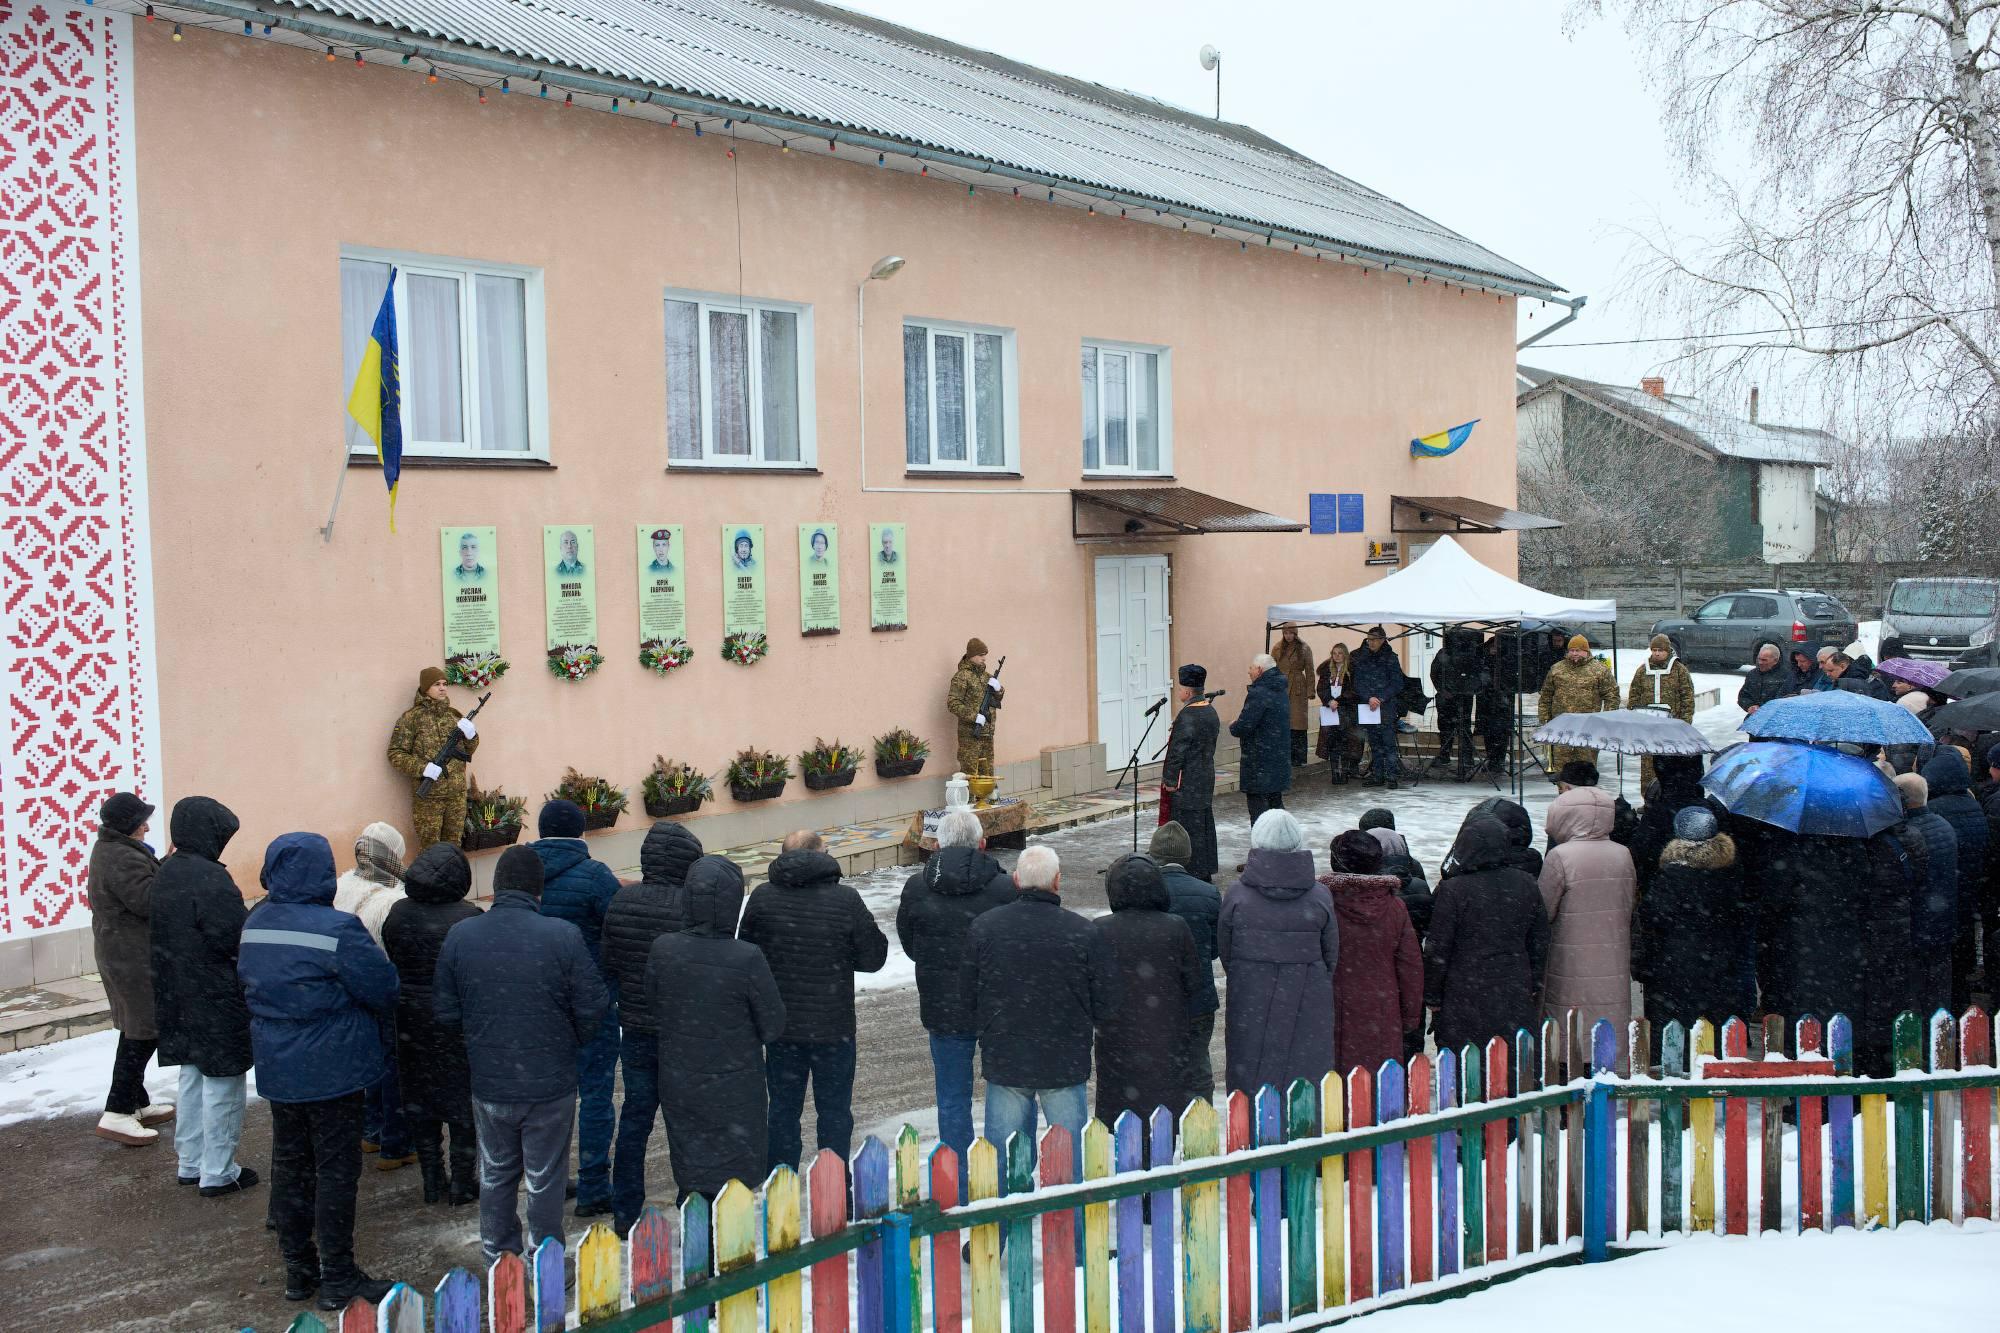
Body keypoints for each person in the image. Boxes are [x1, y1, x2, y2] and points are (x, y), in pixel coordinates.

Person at [238, 832, 400, 1309]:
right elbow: (382, 987)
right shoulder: (337, 930)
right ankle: (338, 1274)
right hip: (332, 1069)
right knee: (335, 1171)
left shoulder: (254, 923)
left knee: (290, 1166)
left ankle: (298, 1269)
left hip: (279, 1069)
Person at [435, 845, 608, 1265]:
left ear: (494, 888)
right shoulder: (562, 936)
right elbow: (592, 1006)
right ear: (539, 890)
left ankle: (499, 1258)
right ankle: (544, 1261)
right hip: (550, 1082)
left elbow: (444, 1011)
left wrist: (480, 1043)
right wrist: (568, 1044)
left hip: (491, 1081)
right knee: (545, 1178)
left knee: (495, 1172)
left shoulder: (462, 935)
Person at [969, 845, 1119, 1181]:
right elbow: (1107, 1002)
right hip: (1063, 1059)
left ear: (1017, 881)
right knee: (1069, 1163)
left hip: (1006, 1055)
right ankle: (1070, 1231)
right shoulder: (1083, 932)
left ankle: (1001, 1230)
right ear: (1057, 881)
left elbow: (968, 992)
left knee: (1003, 1163)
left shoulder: (985, 928)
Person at [741, 830, 888, 1169]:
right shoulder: (845, 900)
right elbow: (874, 957)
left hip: (782, 1029)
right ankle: (835, 1185)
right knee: (835, 1112)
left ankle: (781, 1181)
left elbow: (748, 956)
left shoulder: (763, 898)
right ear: (822, 855)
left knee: (782, 1110)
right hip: (832, 1028)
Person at [648, 856, 785, 1201]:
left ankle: (694, 1234)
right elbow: (773, 1024)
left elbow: (654, 1005)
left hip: (681, 1080)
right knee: (733, 1184)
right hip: (735, 1085)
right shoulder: (746, 957)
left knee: (692, 1168)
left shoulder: (664, 949)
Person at [601, 820, 703, 1233]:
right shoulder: (691, 906)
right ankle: (690, 1201)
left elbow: (609, 962)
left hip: (637, 1027)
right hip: (681, 1031)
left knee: (635, 1117)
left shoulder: (621, 903)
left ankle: (625, 1209)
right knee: (685, 1121)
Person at [896, 811, 1016, 1161]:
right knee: (1004, 1093)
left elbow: (910, 944)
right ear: (982, 843)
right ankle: (1002, 1174)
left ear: (937, 845)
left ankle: (960, 1179)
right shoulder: (1005, 888)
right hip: (996, 1005)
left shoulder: (917, 887)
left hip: (942, 1003)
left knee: (951, 1098)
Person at [150, 796, 254, 1195]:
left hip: (176, 993)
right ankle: (219, 1171)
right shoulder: (210, 879)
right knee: (224, 1080)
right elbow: (232, 938)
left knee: (192, 1075)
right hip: (214, 995)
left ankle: (191, 1162)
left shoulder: (167, 872)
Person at [529, 798, 624, 1217]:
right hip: (591, 1005)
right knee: (596, 1095)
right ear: (581, 832)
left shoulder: (522, 873)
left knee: (544, 1101)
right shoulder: (596, 875)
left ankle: (545, 1182)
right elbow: (615, 932)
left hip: (539, 1007)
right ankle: (592, 1184)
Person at [382, 843, 482, 1208]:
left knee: (420, 1100)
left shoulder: (397, 914)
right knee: (461, 1103)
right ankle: (462, 1180)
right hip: (454, 1020)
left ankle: (431, 1178)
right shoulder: (469, 917)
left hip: (409, 1019)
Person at [1218, 810, 1338, 1093]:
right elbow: (1330, 953)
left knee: (1251, 1069)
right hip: (1308, 993)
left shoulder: (1237, 895)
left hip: (1250, 992)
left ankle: (1251, 1131)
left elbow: (1226, 950)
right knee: (1306, 1074)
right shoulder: (1320, 896)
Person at [1090, 853, 1213, 1128]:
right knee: (1162, 1119)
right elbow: (1193, 980)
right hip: (1165, 1038)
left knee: (1124, 1124)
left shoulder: (1100, 929)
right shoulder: (1175, 927)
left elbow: (1092, 985)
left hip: (1117, 1041)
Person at [1425, 815, 1551, 1058]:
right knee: (1513, 1059)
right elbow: (1540, 938)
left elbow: (1438, 947)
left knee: (1467, 1060)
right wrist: (1534, 980)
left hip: (1464, 989)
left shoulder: (1454, 889)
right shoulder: (1525, 882)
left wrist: (1433, 994)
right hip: (1513, 984)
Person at [87, 791, 171, 1146]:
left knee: (135, 1026)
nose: (147, 826)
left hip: (122, 952)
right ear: (128, 826)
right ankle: (118, 1111)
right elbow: (147, 901)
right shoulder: (122, 856)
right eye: (141, 821)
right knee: (144, 1031)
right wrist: (173, 874)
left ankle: (137, 1102)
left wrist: (164, 864)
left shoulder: (112, 849)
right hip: (132, 957)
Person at [1539, 784, 1637, 1069]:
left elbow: (1544, 907)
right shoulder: (1623, 854)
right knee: (1606, 1015)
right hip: (1612, 951)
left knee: (1570, 1022)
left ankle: (1569, 1080)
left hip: (1569, 956)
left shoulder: (1561, 857)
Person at [333, 822, 411, 1170]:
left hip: (346, 989)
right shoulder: (395, 899)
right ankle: (395, 1144)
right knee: (393, 1067)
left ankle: (370, 1131)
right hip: (383, 988)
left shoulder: (342, 885)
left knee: (369, 1063)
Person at [1633, 807, 1751, 1032]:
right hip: (1720, 963)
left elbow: (1652, 916)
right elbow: (1739, 914)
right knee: (1716, 1025)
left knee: (1674, 1027)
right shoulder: (1730, 872)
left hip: (1674, 963)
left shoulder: (1670, 876)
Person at [1319, 831, 1421, 1081]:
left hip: (1332, 1006)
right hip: (1382, 1007)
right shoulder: (1395, 908)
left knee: (1334, 1087)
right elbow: (1410, 965)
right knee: (1380, 1084)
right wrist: (1410, 1015)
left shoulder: (1323, 905)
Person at [1149, 822, 1222, 1102]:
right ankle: (1200, 1123)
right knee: (1198, 1065)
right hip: (1199, 997)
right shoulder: (1208, 893)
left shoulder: (1145, 890)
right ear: (1188, 857)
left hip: (1156, 997)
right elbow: (1215, 947)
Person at [1922, 748, 1989, 1013]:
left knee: (1944, 960)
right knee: (1962, 950)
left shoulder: (1938, 811)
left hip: (1944, 894)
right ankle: (1963, 1003)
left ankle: (1949, 1006)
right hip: (1968, 889)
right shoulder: (1972, 804)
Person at [387, 667, 479, 849]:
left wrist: (472, 735)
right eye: (437, 684)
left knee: (453, 847)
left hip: (456, 795)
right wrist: (423, 768)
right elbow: (395, 754)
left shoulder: (454, 716)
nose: (443, 688)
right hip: (429, 798)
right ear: (425, 688)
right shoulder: (411, 719)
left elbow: (469, 751)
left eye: (445, 684)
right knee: (430, 851)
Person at [1894, 773, 1958, 1020]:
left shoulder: (1909, 834)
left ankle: (1918, 1043)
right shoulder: (1944, 826)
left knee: (1914, 991)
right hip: (1942, 920)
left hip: (1917, 922)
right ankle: (1940, 1037)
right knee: (1938, 989)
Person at [1160, 664, 1221, 880]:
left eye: (1179, 688)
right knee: (1203, 823)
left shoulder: (1187, 716)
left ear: (1187, 691)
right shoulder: (1210, 711)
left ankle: (1191, 869)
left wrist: (1169, 779)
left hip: (1187, 780)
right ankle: (1205, 866)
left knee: (1187, 827)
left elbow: (1177, 752)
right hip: (1205, 776)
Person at [1627, 755, 1709, 898]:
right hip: (1707, 895)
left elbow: (1639, 851)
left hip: (1661, 892)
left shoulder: (1657, 813)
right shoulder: (1710, 810)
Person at [1539, 634, 1619, 771]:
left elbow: (1612, 695)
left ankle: (1585, 792)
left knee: (1586, 766)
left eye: (1578, 650)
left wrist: (1606, 719)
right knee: (1562, 767)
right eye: (1571, 650)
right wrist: (1544, 717)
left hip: (1588, 727)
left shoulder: (1599, 670)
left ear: (1586, 651)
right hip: (1562, 727)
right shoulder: (1557, 669)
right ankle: (1564, 792)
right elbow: (1546, 695)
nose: (1574, 654)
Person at [1627, 634, 1696, 790]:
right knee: (1647, 765)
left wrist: (1685, 723)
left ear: (1667, 650)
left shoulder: (1679, 670)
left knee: (1670, 765)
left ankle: (1668, 799)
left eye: (1660, 650)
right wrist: (1633, 717)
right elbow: (1634, 695)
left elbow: (1687, 697)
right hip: (1648, 727)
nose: (1657, 653)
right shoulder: (1642, 670)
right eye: (1654, 650)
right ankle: (1648, 800)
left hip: (1671, 727)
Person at [1231, 652, 1293, 821]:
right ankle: (1282, 842)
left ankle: (1262, 845)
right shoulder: (1279, 689)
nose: (1249, 672)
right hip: (1276, 759)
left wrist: (1234, 725)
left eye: (1251, 668)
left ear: (1259, 670)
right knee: (1276, 808)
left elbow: (1244, 726)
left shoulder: (1259, 692)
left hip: (1258, 762)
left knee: (1259, 813)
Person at [1358, 808, 1432, 945]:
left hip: (1374, 950)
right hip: (1411, 948)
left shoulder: (1361, 870)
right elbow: (1426, 915)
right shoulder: (1413, 865)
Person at [1351, 626, 1405, 789]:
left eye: (1374, 639)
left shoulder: (1390, 657)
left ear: (1382, 640)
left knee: (1388, 742)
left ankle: (1392, 776)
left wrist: (1380, 698)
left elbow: (1397, 683)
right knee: (1374, 743)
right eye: (1369, 639)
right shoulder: (1363, 657)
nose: (1371, 642)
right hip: (1369, 706)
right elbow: (1358, 682)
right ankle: (1378, 775)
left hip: (1386, 706)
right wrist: (1369, 697)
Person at [1429, 628, 1486, 780]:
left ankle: (1467, 759)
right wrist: (1442, 690)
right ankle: (1444, 755)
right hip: (1446, 697)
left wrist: (1469, 689)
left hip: (1464, 696)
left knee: (1465, 727)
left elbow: (1476, 674)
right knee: (1445, 728)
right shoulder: (1443, 654)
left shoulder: (1472, 654)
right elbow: (1434, 673)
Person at [945, 638, 1001, 779]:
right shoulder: (962, 677)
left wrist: (999, 689)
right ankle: (969, 800)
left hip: (987, 733)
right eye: (981, 655)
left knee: (987, 771)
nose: (984, 658)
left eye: (985, 655)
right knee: (970, 773)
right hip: (970, 734)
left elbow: (996, 700)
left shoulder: (987, 677)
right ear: (972, 655)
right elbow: (953, 703)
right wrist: (974, 716)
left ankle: (987, 799)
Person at [1315, 643, 1364, 786]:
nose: (1337, 656)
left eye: (1340, 653)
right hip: (1330, 711)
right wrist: (1328, 700)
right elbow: (1321, 688)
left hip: (1346, 711)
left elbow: (1354, 690)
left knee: (1347, 743)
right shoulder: (1326, 671)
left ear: (1345, 655)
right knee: (1333, 743)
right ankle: (1335, 773)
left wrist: (1339, 700)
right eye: (1334, 653)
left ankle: (1345, 772)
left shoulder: (1351, 670)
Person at [1273, 623, 1316, 768]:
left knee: (1298, 723)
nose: (1288, 636)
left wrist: (1311, 691)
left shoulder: (1304, 648)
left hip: (1298, 687)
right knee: (1284, 723)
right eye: (1285, 633)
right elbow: (1272, 668)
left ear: (1295, 633)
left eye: (1291, 633)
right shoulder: (1277, 648)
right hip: (1282, 686)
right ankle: (1285, 755)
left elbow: (1310, 670)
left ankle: (1299, 756)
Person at [1474, 633, 1516, 775]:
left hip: (1502, 701)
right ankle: (1492, 759)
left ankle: (1499, 760)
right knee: (1488, 732)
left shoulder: (1510, 655)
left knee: (1502, 732)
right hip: (1486, 700)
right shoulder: (1484, 653)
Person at [1738, 643, 1791, 716]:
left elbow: (1788, 700)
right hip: (1754, 717)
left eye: (1764, 660)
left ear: (1775, 660)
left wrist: (1768, 710)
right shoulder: (1752, 674)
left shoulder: (1787, 676)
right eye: (1759, 659)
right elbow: (1743, 696)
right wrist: (1749, 706)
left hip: (1777, 717)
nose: (1760, 662)